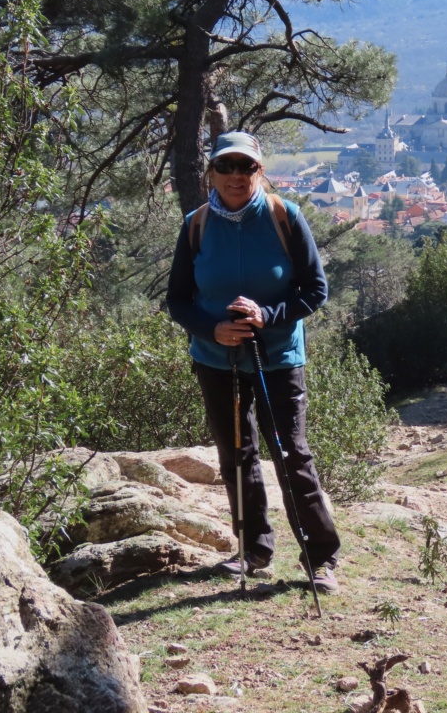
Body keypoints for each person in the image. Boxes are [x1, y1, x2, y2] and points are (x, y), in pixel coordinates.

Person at [166, 131, 341, 594]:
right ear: (212, 173)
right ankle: (253, 550)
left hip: (279, 358)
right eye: (227, 167)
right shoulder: (197, 224)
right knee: (237, 458)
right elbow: (178, 301)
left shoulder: (286, 216)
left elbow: (315, 290)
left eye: (246, 167)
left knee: (291, 455)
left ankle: (321, 558)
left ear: (258, 171)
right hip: (217, 360)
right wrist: (213, 329)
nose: (236, 176)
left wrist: (270, 316)